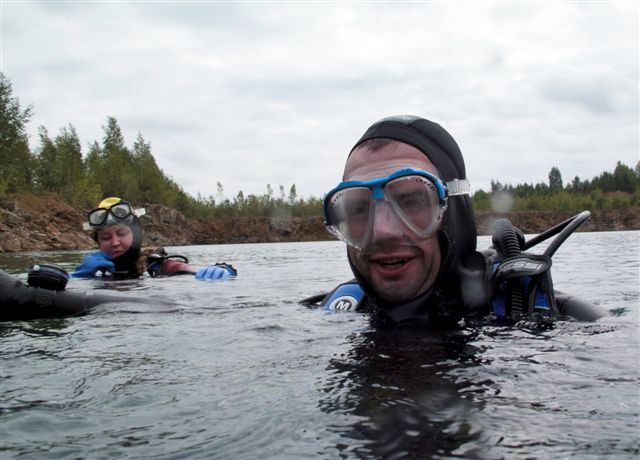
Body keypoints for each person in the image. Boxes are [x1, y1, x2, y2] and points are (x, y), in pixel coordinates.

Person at [306, 115, 606, 326]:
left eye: (412, 200)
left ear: (454, 212)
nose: (382, 231)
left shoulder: (563, 318)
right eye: (358, 209)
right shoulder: (338, 310)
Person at [71, 197, 237, 280]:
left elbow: (189, 270)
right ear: (98, 243)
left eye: (122, 234)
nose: (115, 242)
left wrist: (223, 270)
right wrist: (76, 278)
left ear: (136, 235)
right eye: (106, 237)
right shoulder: (90, 271)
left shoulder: (157, 265)